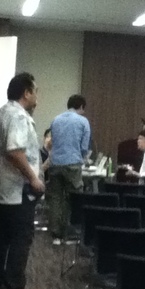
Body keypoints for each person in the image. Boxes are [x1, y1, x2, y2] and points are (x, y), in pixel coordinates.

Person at [0, 72, 45, 289]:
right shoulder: (19, 117)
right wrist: (34, 178)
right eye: (35, 91)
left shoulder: (2, 112)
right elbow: (14, 151)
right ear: (26, 93)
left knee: (1, 237)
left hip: (2, 188)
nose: (37, 96)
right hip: (17, 191)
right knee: (21, 238)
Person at [48, 94, 91, 245]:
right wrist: (83, 158)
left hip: (55, 163)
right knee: (74, 198)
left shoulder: (56, 119)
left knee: (56, 198)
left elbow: (52, 142)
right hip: (73, 164)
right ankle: (70, 234)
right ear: (81, 106)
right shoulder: (83, 121)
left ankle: (56, 235)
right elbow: (84, 147)